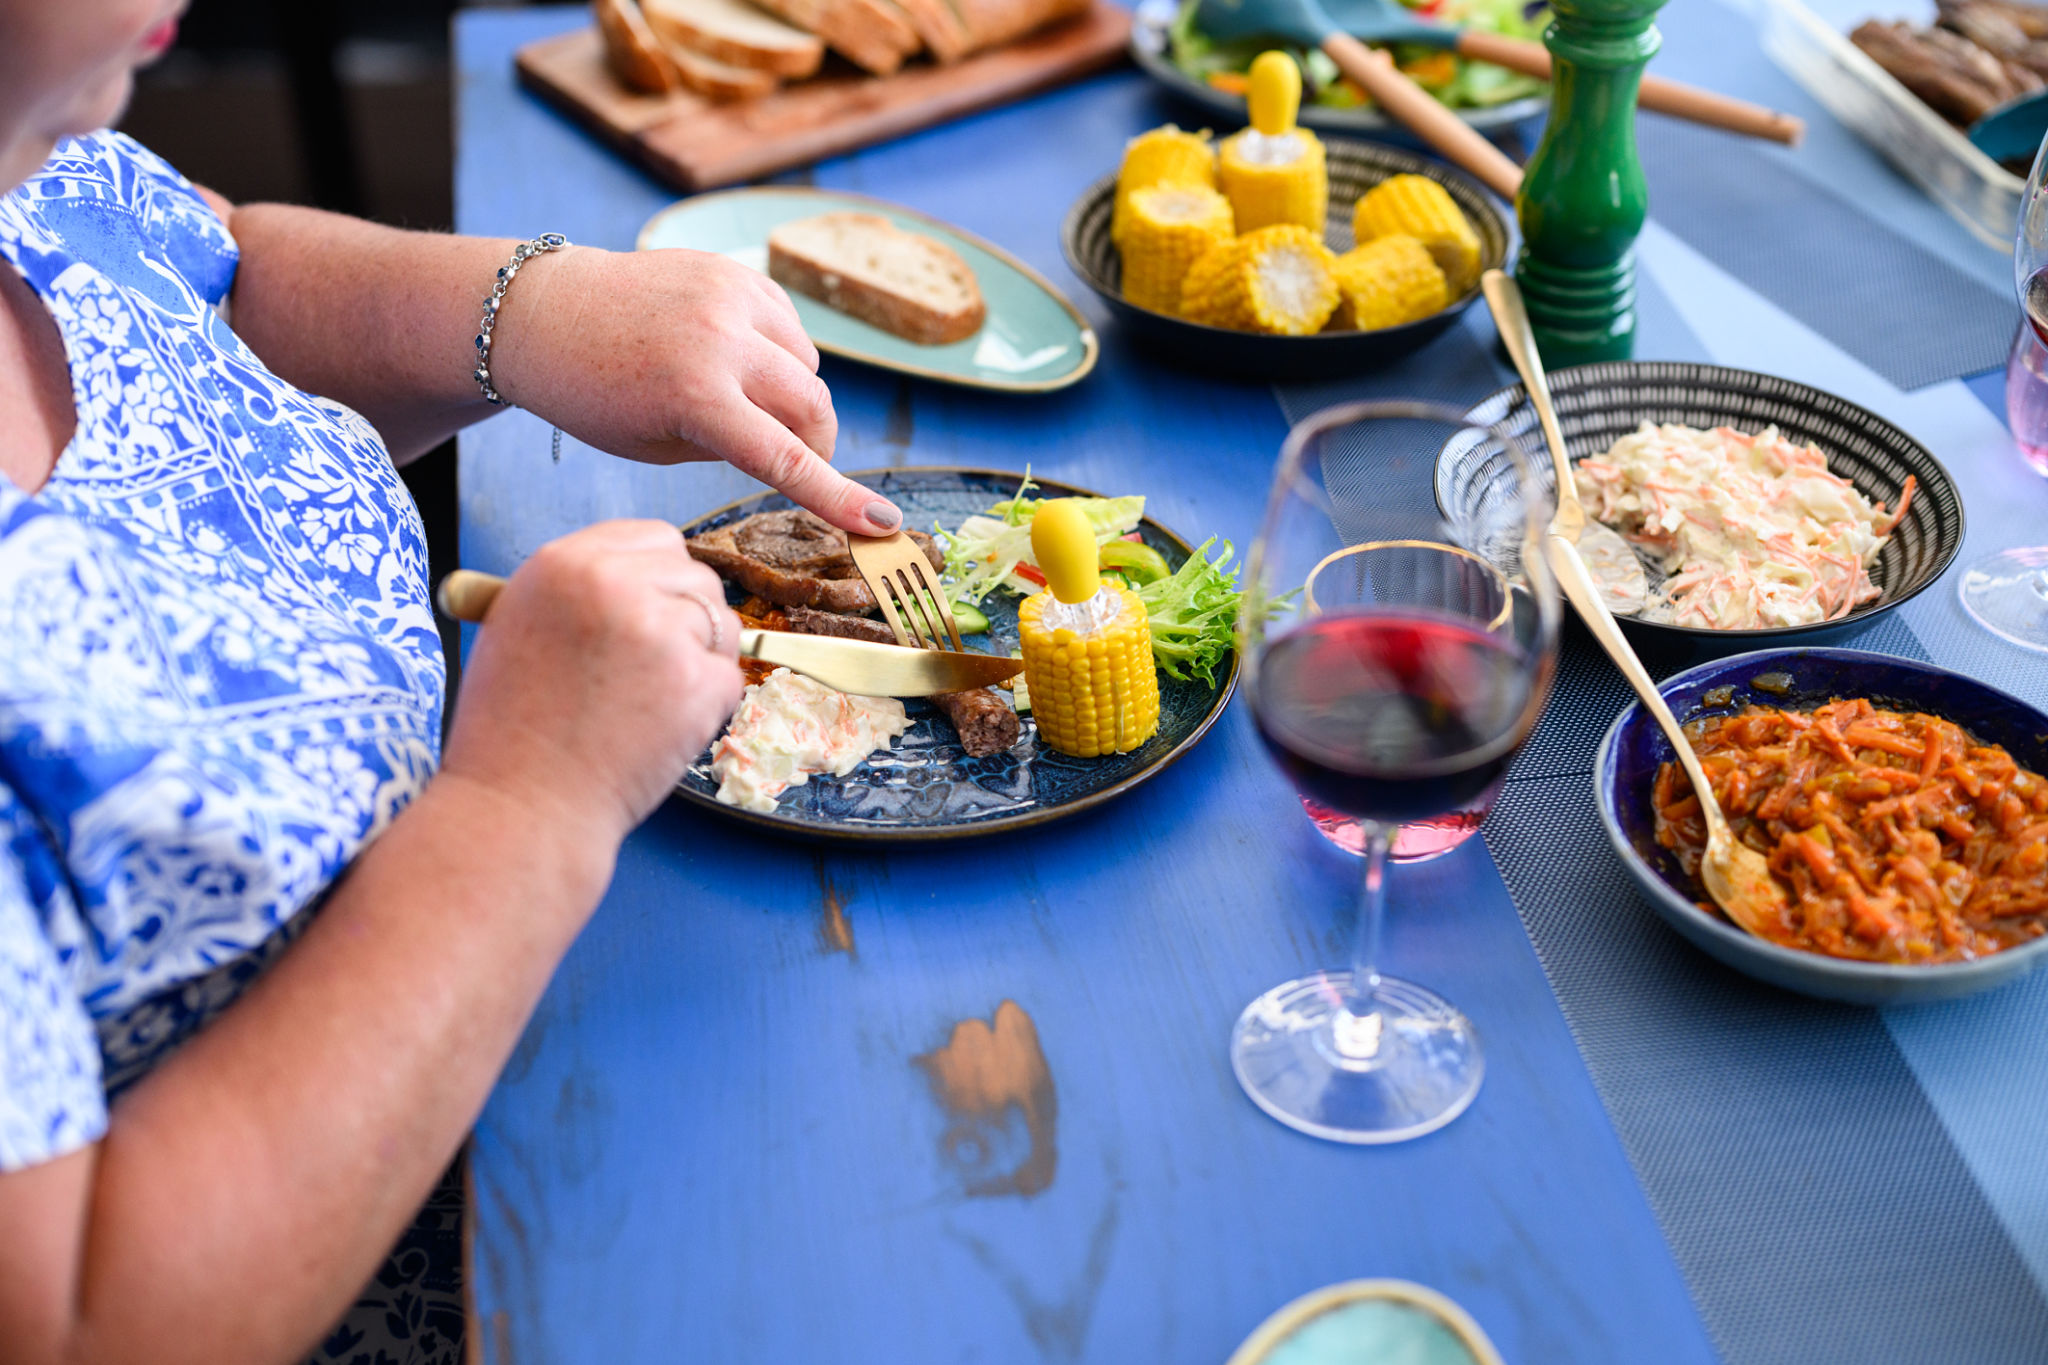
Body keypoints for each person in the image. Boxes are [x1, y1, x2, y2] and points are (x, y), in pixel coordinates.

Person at [0, 3, 902, 1362]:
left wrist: (524, 312)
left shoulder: (41, 146)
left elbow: (214, 281)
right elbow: (83, 1322)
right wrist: (523, 808)